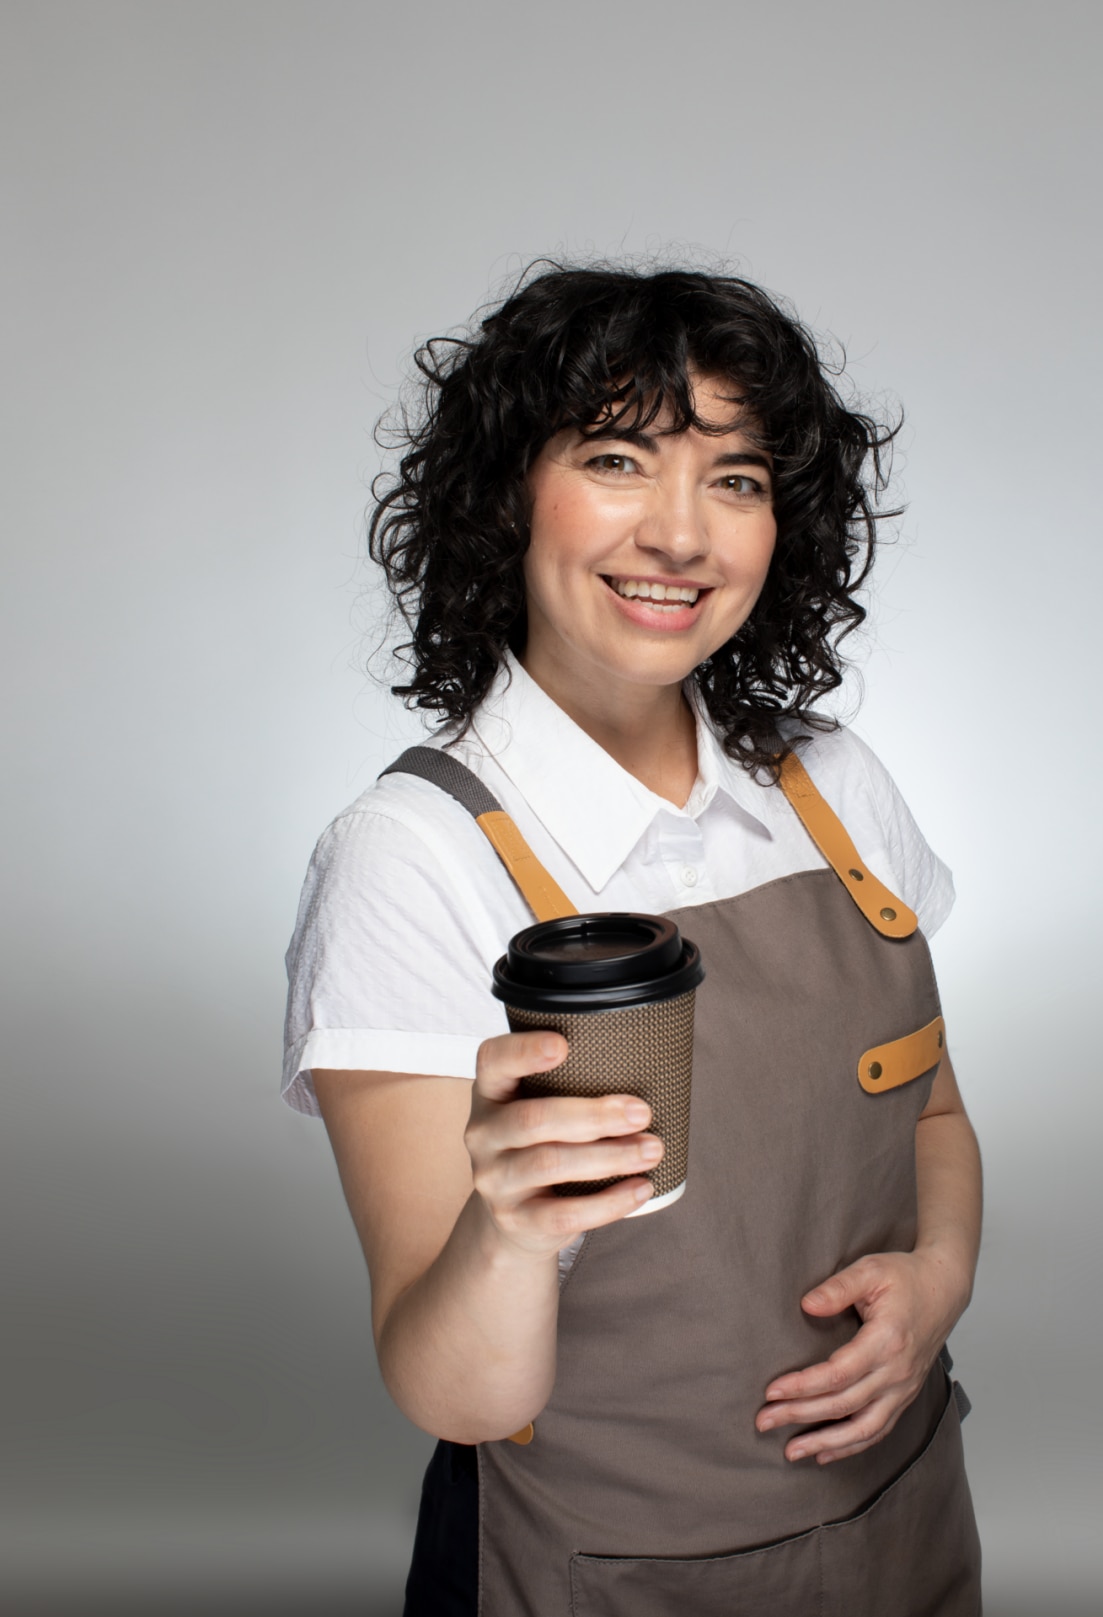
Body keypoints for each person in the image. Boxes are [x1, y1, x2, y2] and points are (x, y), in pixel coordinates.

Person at [283, 264, 983, 1615]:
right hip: (596, 1573)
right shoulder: (412, 855)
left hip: (898, 1528)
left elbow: (936, 1114)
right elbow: (455, 1392)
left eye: (735, 478)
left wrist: (938, 1279)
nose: (683, 534)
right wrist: (508, 1227)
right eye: (618, 458)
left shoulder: (836, 787)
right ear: (504, 496)